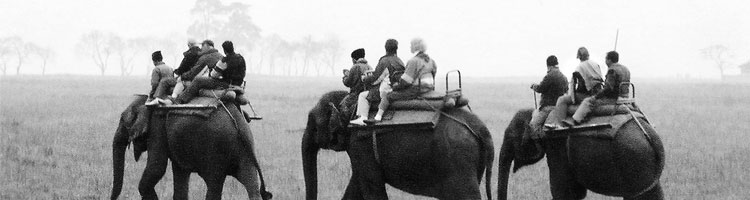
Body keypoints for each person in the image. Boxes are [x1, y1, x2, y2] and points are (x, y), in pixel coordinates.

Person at [368, 38, 436, 124]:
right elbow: (434, 73)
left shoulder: (413, 61)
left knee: (389, 95)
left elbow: (406, 81)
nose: (410, 47)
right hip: (428, 88)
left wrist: (396, 86)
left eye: (411, 45)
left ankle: (377, 117)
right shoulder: (430, 60)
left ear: (415, 47)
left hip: (416, 89)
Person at [162, 41, 244, 105]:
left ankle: (180, 100)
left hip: (226, 84)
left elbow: (214, 75)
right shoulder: (241, 58)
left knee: (198, 80)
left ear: (224, 50)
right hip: (239, 84)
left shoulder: (224, 60)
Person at [562, 51, 630, 126]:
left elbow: (608, 89)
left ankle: (575, 120)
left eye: (606, 59)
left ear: (609, 60)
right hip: (625, 97)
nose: (605, 61)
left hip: (613, 98)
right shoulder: (626, 69)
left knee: (587, 101)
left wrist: (595, 97)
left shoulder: (612, 70)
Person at [545, 47, 604, 128]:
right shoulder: (596, 65)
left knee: (562, 100)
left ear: (579, 57)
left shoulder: (579, 68)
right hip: (597, 93)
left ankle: (559, 124)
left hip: (586, 95)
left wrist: (573, 99)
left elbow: (575, 86)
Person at [349, 39, 405, 125]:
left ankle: (362, 118)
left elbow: (376, 79)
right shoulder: (399, 61)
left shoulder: (384, 61)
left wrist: (365, 79)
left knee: (363, 95)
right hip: (396, 89)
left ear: (385, 48)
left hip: (386, 90)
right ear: (396, 49)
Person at [528, 55, 568, 136]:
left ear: (549, 66)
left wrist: (534, 86)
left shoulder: (549, 76)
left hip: (548, 108)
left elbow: (540, 89)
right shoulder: (564, 77)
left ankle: (541, 143)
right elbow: (566, 91)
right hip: (559, 108)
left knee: (533, 125)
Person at [339, 48, 371, 116]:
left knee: (342, 106)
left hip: (355, 94)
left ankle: (346, 124)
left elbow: (348, 82)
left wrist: (345, 77)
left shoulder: (355, 67)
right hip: (368, 93)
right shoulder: (369, 67)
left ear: (354, 59)